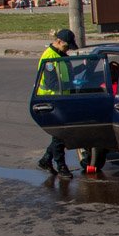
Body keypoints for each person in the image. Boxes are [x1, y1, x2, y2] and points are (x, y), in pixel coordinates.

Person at [35, 28, 78, 178]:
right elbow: (53, 84)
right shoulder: (50, 59)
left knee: (59, 135)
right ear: (59, 42)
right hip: (51, 102)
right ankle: (61, 166)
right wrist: (71, 86)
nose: (68, 49)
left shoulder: (61, 54)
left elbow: (67, 75)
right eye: (67, 46)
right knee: (60, 135)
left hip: (62, 100)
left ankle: (46, 160)